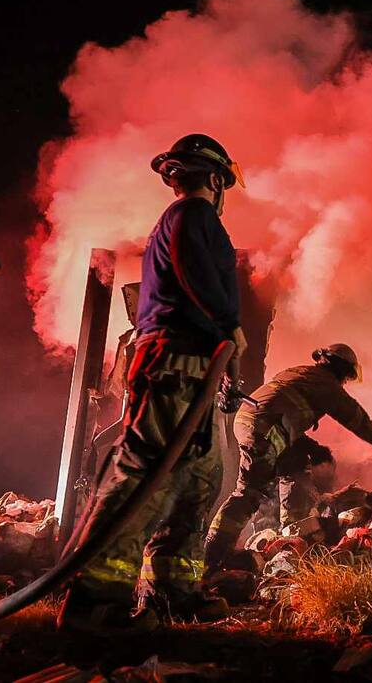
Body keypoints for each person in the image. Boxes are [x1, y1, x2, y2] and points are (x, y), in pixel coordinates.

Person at [57, 134, 248, 632]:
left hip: (194, 373)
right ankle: (94, 601)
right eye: (224, 181)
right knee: (142, 481)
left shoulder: (186, 219)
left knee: (198, 484)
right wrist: (230, 324)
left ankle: (171, 590)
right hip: (172, 370)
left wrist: (225, 364)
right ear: (214, 178)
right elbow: (195, 275)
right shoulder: (193, 216)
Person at [204, 344, 372, 571]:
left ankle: (293, 532)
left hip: (256, 423)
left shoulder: (299, 373)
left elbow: (283, 412)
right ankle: (214, 553)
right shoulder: (327, 385)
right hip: (265, 430)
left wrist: (312, 446)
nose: (345, 381)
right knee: (249, 493)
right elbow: (359, 420)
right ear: (341, 370)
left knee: (295, 462)